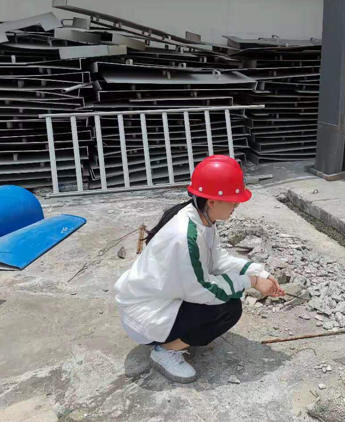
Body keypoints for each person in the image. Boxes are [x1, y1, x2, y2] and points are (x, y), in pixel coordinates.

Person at [115, 155, 283, 383]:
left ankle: (178, 336)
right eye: (233, 202)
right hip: (145, 317)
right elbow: (203, 289)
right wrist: (251, 282)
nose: (236, 206)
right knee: (228, 309)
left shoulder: (201, 218)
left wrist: (260, 273)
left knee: (226, 298)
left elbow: (218, 260)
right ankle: (164, 352)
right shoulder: (185, 236)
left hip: (161, 299)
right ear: (212, 202)